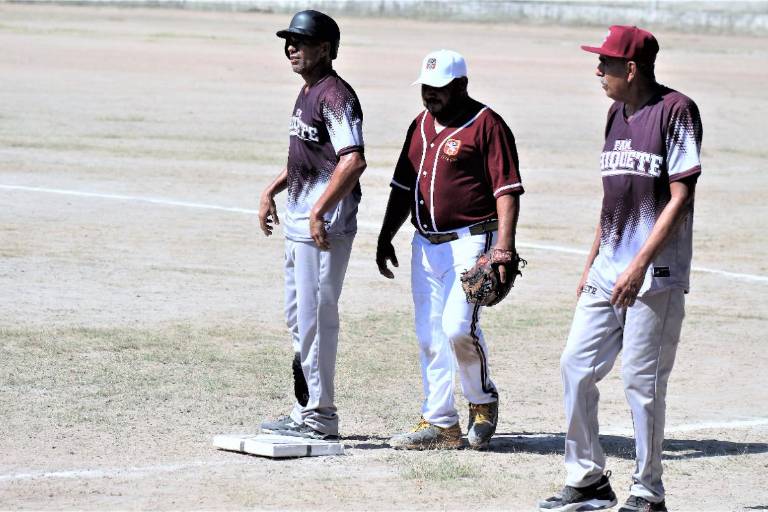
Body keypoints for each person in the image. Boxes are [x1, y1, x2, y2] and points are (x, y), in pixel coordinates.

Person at [538, 26, 703, 512]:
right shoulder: (615, 113)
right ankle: (587, 479)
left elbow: (681, 197)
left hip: (655, 274)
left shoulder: (676, 110)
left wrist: (639, 265)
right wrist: (592, 260)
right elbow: (614, 197)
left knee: (641, 382)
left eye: (605, 63)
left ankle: (648, 493)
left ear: (631, 69)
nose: (598, 70)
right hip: (607, 269)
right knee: (575, 365)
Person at [376, 49, 523, 450]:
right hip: (425, 244)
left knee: (457, 326)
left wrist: (504, 248)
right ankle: (441, 423)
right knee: (429, 334)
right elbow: (403, 187)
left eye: (439, 87)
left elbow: (507, 190)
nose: (430, 94)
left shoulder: (487, 125)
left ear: (461, 85)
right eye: (426, 86)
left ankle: (482, 400)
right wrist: (386, 234)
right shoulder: (420, 125)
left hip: (472, 241)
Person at [257, 10, 366, 441]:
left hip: (323, 227)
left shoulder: (335, 95)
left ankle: (321, 415)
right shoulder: (308, 92)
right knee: (298, 319)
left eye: (300, 41)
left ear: (325, 49)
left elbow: (352, 160)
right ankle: (305, 409)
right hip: (301, 221)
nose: (291, 48)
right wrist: (272, 189)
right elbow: (308, 158)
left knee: (316, 321)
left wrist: (319, 210)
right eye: (289, 41)